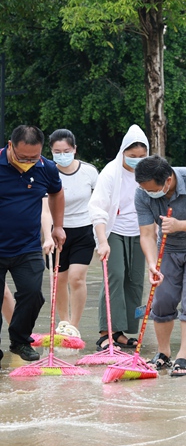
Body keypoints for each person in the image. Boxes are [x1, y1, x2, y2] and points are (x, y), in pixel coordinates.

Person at [135, 155, 186, 377]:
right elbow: (147, 233)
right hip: (167, 248)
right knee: (162, 301)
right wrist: (152, 264)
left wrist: (179, 225)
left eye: (153, 189)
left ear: (168, 180)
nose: (148, 193)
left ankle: (183, 356)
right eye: (144, 189)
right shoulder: (142, 192)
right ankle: (163, 353)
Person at [0, 125, 66, 362]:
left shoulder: (46, 168)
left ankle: (19, 340)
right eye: (22, 157)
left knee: (32, 294)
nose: (28, 162)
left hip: (27, 246)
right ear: (10, 146)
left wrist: (57, 227)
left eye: (33, 157)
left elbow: (57, 193)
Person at [89, 125, 149, 351]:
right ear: (123, 152)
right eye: (132, 156)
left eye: (142, 156)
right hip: (113, 231)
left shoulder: (148, 171)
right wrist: (102, 240)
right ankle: (106, 332)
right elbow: (97, 208)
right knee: (114, 276)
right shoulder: (110, 172)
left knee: (134, 281)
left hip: (140, 232)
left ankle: (121, 331)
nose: (137, 160)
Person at [48, 129, 98, 338]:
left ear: (75, 149)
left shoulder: (89, 172)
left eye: (66, 150)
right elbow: (43, 205)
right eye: (57, 151)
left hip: (84, 230)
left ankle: (74, 327)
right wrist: (46, 234)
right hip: (56, 231)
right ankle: (63, 323)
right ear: (51, 151)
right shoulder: (47, 171)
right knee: (59, 279)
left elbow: (100, 201)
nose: (62, 155)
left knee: (77, 278)